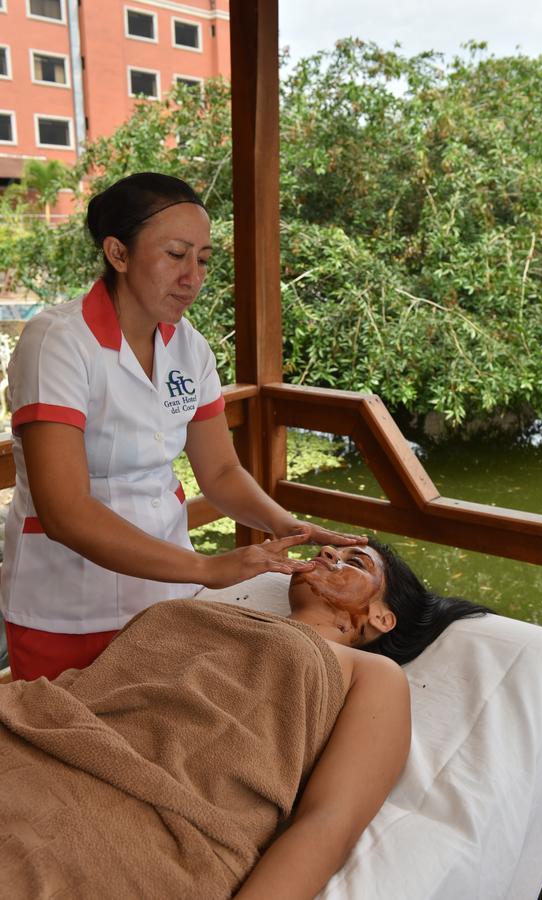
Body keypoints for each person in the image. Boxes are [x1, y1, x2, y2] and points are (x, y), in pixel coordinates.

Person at [2, 172, 364, 683]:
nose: (193, 276)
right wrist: (207, 569)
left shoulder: (188, 347)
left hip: (166, 600)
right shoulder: (57, 342)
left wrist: (287, 525)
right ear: (118, 253)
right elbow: (65, 511)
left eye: (204, 259)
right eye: (176, 255)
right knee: (62, 747)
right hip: (71, 603)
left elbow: (218, 472)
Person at [0, 538, 490, 899]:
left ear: (382, 618)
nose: (326, 555)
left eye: (353, 561)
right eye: (327, 550)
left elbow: (331, 820)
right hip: (40, 744)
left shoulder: (373, 674)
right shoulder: (191, 609)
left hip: (156, 816)